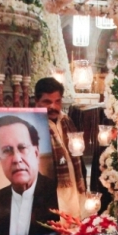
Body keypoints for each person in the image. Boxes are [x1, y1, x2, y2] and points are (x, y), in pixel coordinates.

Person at [0, 115, 58, 235]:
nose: (16, 159)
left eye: (22, 148)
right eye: (7, 151)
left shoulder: (57, 194)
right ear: (0, 158)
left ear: (36, 153)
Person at [34, 77, 86, 218]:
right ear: (36, 101)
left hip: (73, 185)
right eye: (47, 102)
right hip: (51, 193)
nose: (54, 106)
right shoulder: (32, 125)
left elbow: (77, 156)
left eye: (57, 101)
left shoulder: (66, 120)